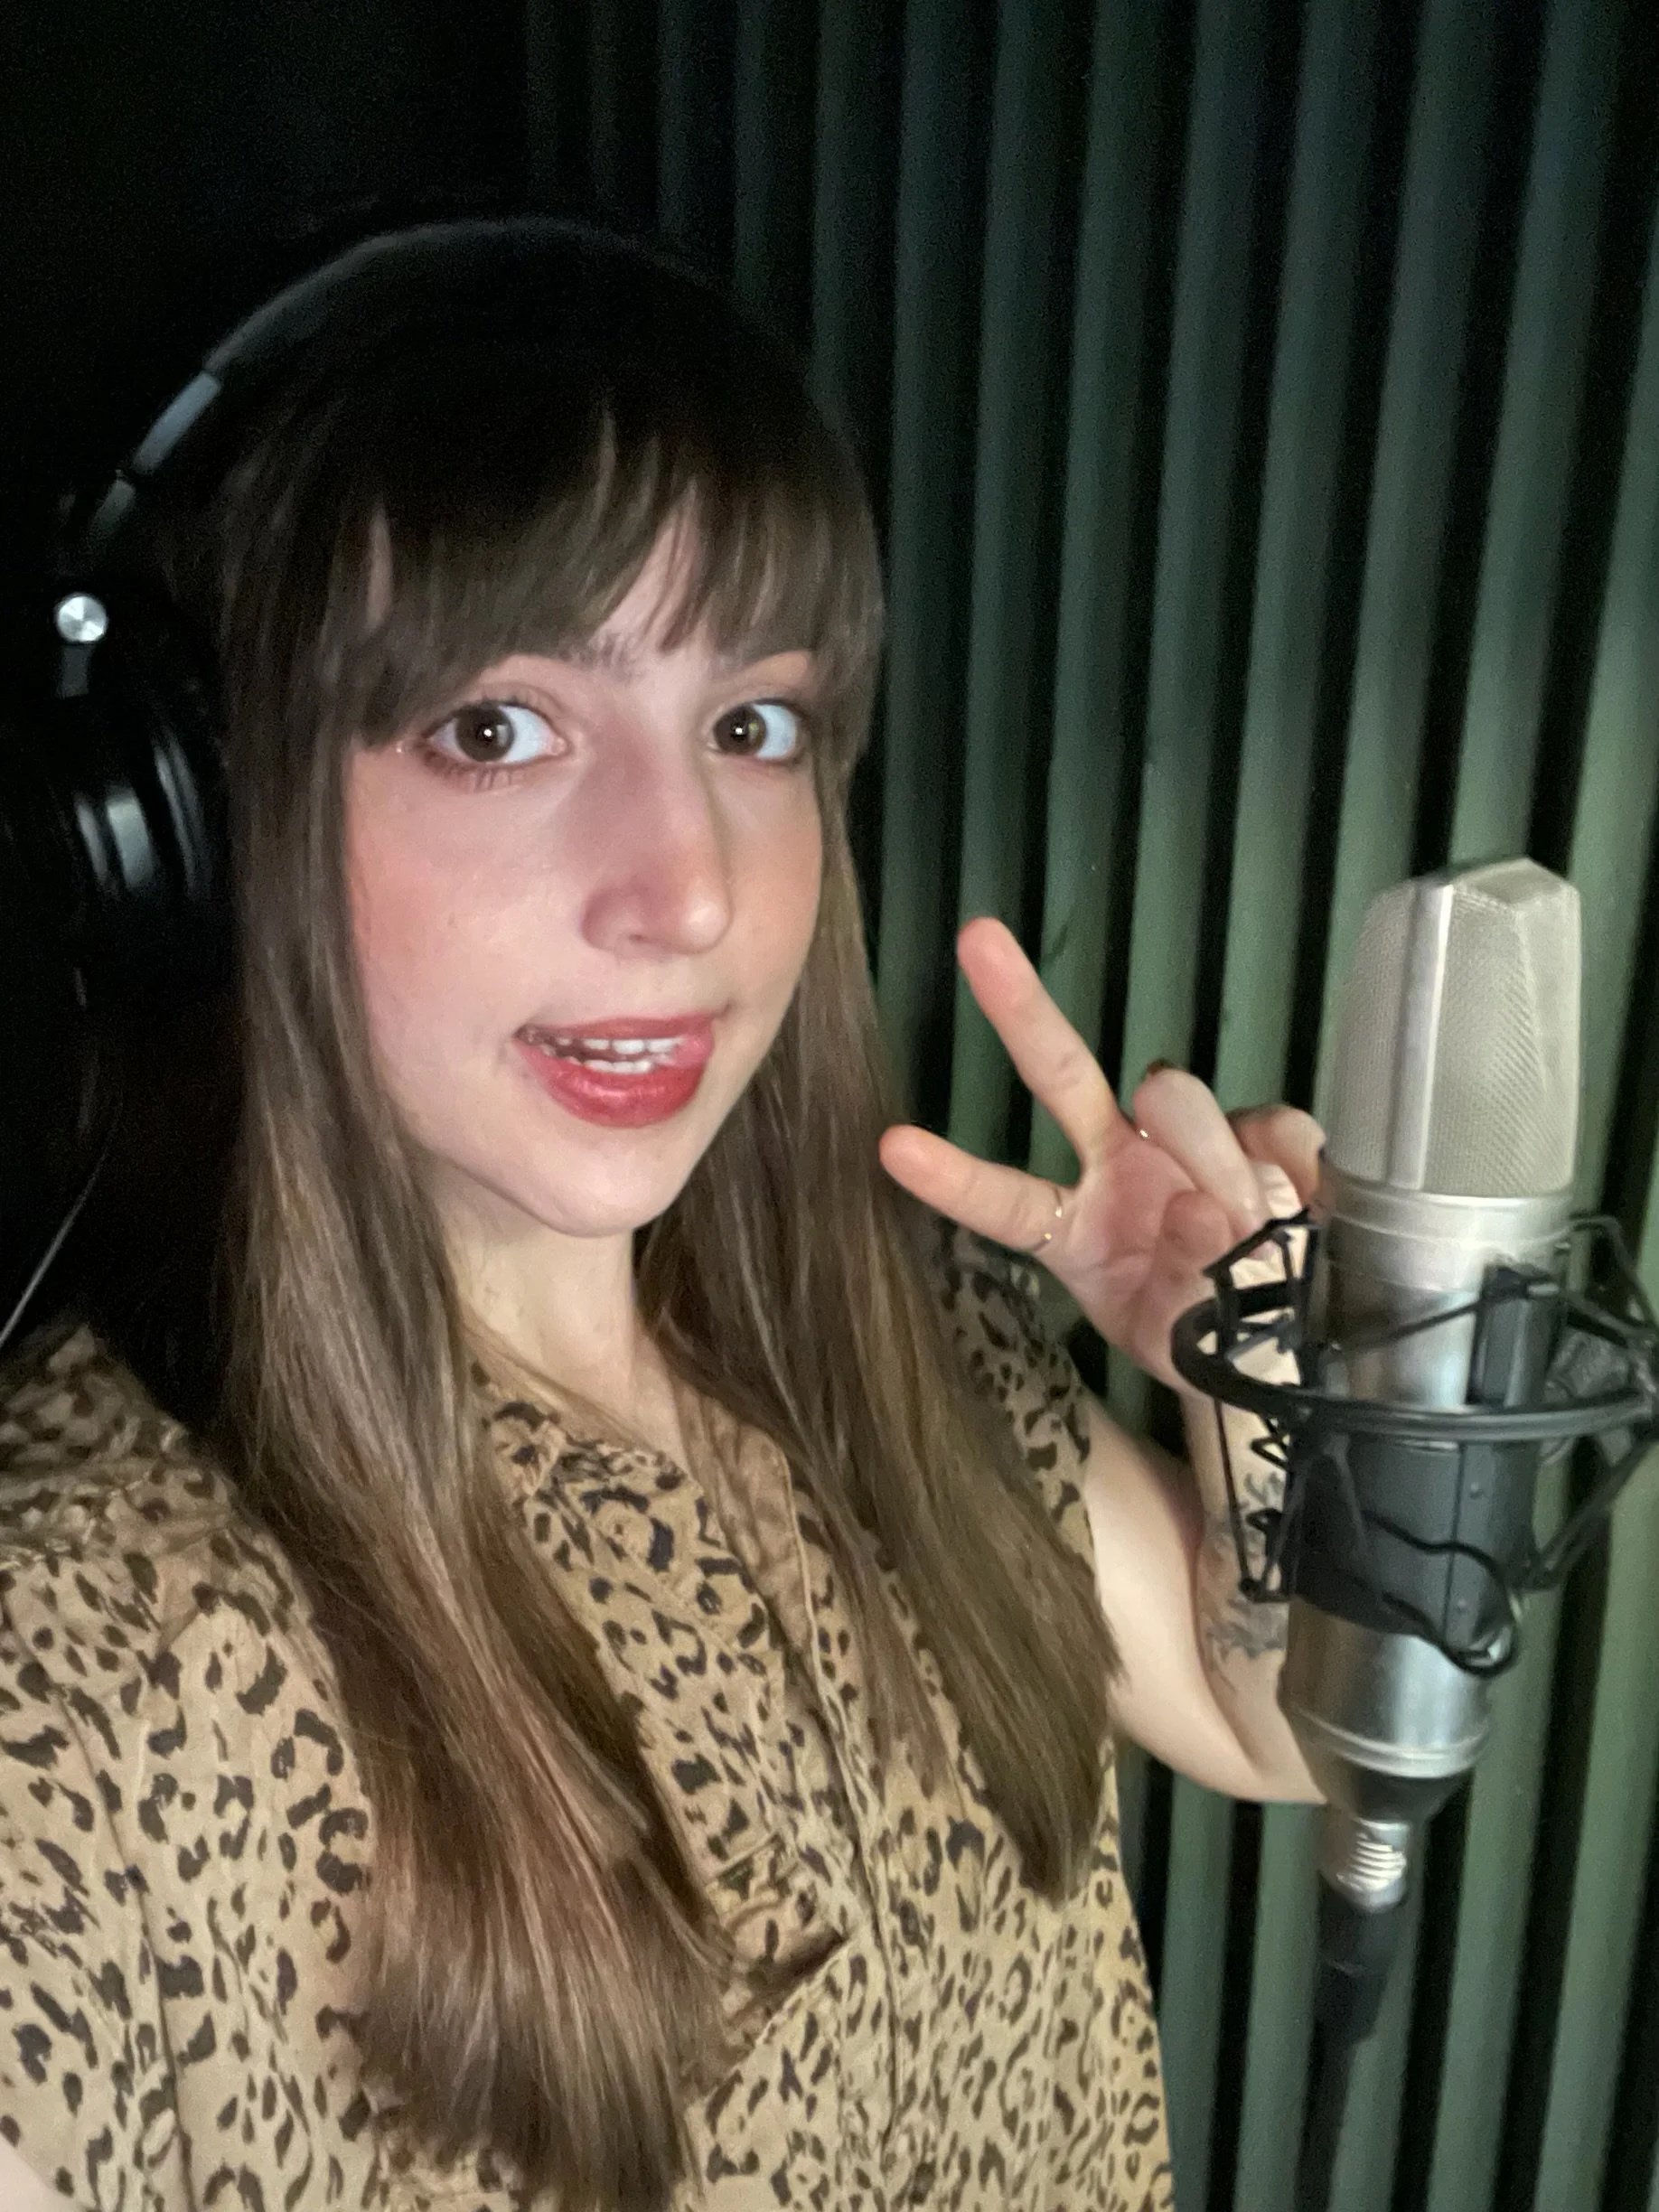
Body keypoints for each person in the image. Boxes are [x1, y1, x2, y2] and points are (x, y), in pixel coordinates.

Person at [0, 224, 1322, 2212]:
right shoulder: (96, 1639)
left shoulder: (903, 1345)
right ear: (196, 827)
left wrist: (1262, 1397)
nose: (687, 892)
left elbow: (1286, 1720)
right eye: (497, 728)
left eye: (752, 725)